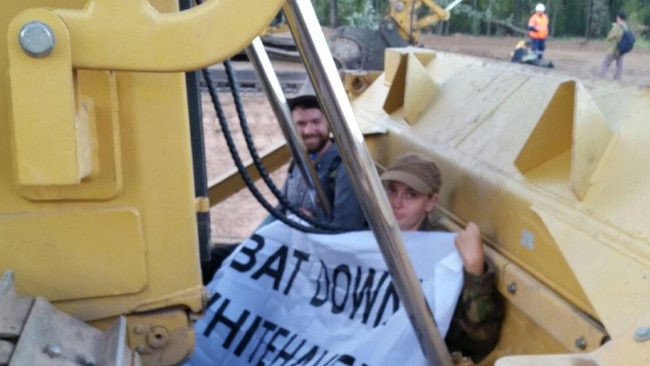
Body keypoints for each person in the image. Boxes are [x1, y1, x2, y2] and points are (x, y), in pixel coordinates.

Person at [201, 85, 367, 283]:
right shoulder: (299, 162)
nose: (309, 131)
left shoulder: (344, 167)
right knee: (212, 260)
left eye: (316, 122)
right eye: (301, 124)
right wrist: (251, 244)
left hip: (316, 263)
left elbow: (346, 231)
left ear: (329, 123)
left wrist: (309, 224)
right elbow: (280, 212)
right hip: (287, 248)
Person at [380, 153, 504, 363]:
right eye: (391, 191)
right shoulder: (371, 236)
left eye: (411, 195)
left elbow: (476, 341)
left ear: (431, 202)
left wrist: (475, 271)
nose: (396, 203)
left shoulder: (446, 258)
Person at [600, 12, 629, 80]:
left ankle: (602, 78)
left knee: (605, 64)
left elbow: (609, 37)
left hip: (614, 49)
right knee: (619, 66)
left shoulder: (617, 26)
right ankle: (617, 79)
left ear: (618, 17)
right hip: (621, 49)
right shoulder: (625, 27)